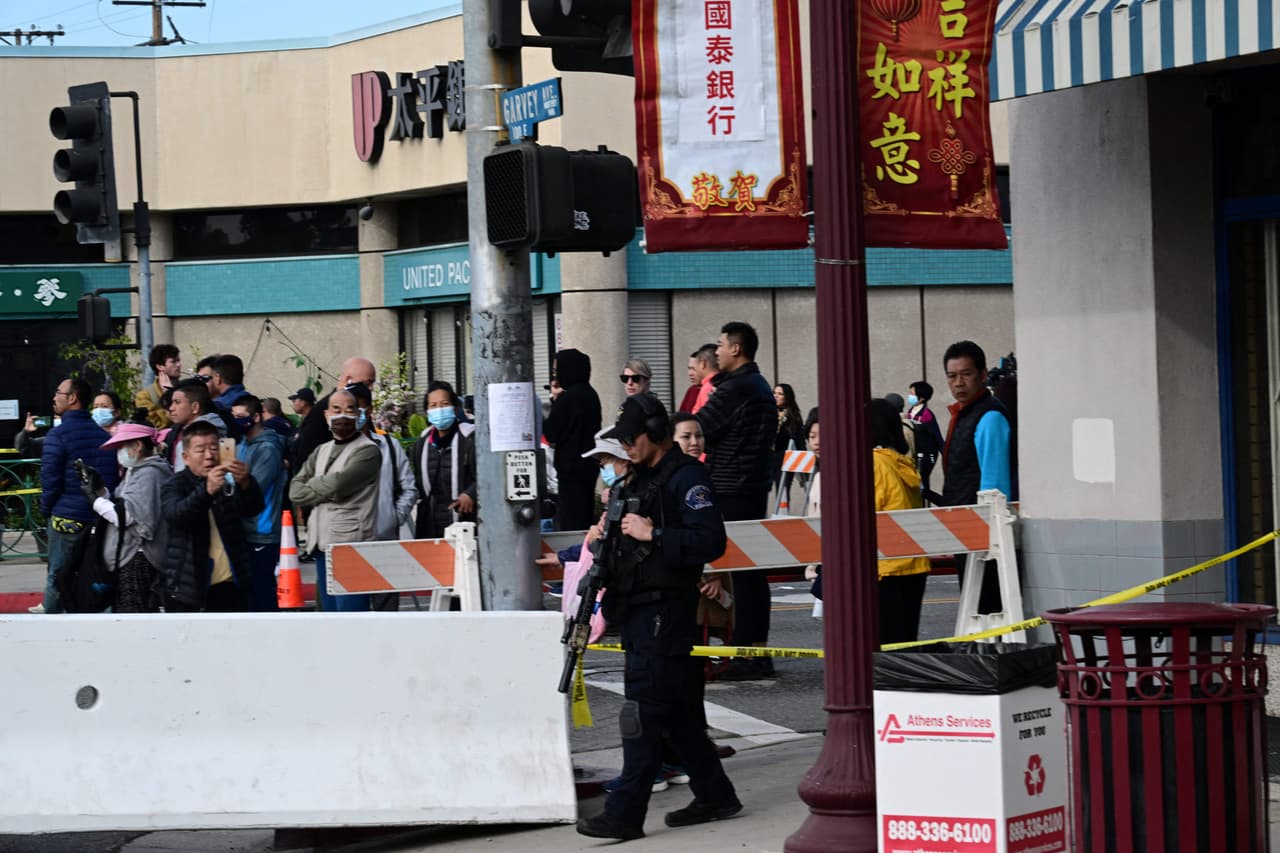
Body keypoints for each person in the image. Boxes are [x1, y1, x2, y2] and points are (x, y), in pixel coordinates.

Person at [577, 393, 741, 841]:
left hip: (665, 609)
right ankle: (715, 793)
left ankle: (625, 811)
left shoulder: (685, 477)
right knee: (679, 712)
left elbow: (710, 541)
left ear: (655, 433)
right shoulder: (638, 479)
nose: (626, 447)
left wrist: (656, 534)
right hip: (637, 608)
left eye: (632, 438)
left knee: (643, 711)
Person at [695, 321, 778, 680]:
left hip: (731, 486)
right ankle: (753, 650)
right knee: (751, 575)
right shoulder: (756, 386)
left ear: (736, 349)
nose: (716, 351)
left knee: (742, 575)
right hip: (751, 486)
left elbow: (700, 428)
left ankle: (747, 653)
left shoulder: (735, 389)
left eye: (720, 344)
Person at [289, 387, 382, 612]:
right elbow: (294, 491)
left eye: (350, 410)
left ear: (359, 415)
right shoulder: (321, 450)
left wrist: (318, 485)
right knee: (328, 618)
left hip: (351, 546)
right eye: (336, 409)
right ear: (326, 415)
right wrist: (327, 486)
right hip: (321, 544)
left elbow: (340, 485)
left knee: (351, 618)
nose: (343, 416)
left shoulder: (368, 451)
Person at [34, 378, 121, 614]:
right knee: (95, 574)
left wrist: (46, 511)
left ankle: (51, 626)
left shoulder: (57, 435)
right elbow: (111, 481)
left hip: (65, 519)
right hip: (98, 518)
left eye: (58, 392)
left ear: (72, 398)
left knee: (57, 574)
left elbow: (50, 481)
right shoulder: (104, 437)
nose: (54, 397)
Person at [941, 340, 1015, 614]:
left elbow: (995, 487)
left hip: (983, 533)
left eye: (966, 374)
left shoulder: (989, 417)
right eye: (952, 376)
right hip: (967, 528)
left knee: (987, 609)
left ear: (983, 375)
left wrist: (987, 538)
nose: (958, 382)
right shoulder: (966, 414)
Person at [160, 420, 263, 612]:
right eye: (200, 450)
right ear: (186, 457)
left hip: (232, 584)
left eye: (214, 448)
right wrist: (206, 492)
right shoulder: (175, 484)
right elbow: (177, 515)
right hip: (190, 587)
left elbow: (253, 509)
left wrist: (246, 483)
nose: (209, 456)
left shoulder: (228, 481)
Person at [87, 423, 173, 613]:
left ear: (137, 446)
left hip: (138, 558)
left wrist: (95, 501)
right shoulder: (136, 471)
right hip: (129, 556)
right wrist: (101, 491)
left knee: (133, 615)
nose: (119, 452)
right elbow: (122, 504)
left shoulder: (149, 473)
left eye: (122, 446)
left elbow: (127, 516)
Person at [349, 382, 418, 610]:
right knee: (351, 610)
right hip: (347, 539)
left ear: (367, 411)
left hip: (383, 536)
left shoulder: (389, 444)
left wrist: (394, 517)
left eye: (354, 409)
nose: (349, 415)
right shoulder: (333, 448)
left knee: (386, 608)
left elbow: (409, 487)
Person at [869, 398, 931, 644]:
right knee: (905, 642)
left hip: (887, 568)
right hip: (914, 564)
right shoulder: (902, 463)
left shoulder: (874, 463)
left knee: (886, 646)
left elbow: (864, 517)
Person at [231, 394, 289, 612]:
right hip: (245, 529)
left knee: (262, 591)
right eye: (233, 416)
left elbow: (256, 487)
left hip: (262, 529)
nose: (236, 421)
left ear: (256, 417)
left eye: (241, 416)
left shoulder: (267, 449)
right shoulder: (243, 444)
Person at [543, 348, 602, 531]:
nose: (556, 376)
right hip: (588, 467)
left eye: (556, 370)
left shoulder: (568, 398)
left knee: (571, 521)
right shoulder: (591, 394)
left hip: (570, 469)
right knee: (583, 516)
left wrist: (554, 402)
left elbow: (552, 432)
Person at [410, 381, 476, 539]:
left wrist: (470, 494)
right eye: (433, 405)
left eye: (444, 404)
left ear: (455, 407)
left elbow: (487, 475)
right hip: (430, 523)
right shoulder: (422, 443)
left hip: (464, 521)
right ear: (426, 411)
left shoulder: (470, 438)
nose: (439, 409)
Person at [292, 357, 376, 474]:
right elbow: (304, 459)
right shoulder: (319, 413)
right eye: (368, 382)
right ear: (348, 380)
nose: (372, 388)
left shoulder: (362, 409)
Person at [167, 379, 229, 472]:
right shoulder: (224, 434)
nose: (171, 408)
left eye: (177, 402)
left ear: (195, 407)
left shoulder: (185, 443)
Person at [906, 380, 945, 498]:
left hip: (927, 455)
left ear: (921, 398)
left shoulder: (927, 415)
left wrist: (946, 455)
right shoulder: (910, 412)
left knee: (923, 484)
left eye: (912, 394)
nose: (910, 396)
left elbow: (937, 437)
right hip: (915, 453)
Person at [771, 383, 805, 508]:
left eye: (780, 394)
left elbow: (799, 440)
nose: (776, 396)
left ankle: (783, 517)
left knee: (783, 490)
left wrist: (802, 463)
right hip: (769, 458)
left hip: (785, 459)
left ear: (787, 397)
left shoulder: (793, 417)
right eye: (774, 393)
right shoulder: (769, 413)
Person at [135, 343, 182, 428]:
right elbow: (157, 425)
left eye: (178, 360)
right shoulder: (144, 396)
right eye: (173, 362)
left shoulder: (186, 388)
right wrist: (168, 396)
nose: (179, 365)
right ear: (160, 366)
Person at [689, 343, 719, 413]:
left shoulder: (708, 387)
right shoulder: (724, 382)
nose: (690, 373)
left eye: (694, 367)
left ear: (702, 364)